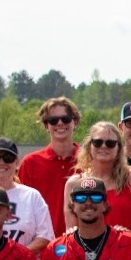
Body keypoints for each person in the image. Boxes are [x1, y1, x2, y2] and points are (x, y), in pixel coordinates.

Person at [67, 120, 131, 242]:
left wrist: (117, 244)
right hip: (89, 255)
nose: (103, 146)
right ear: (89, 146)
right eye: (97, 142)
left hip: (127, 252)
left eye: (110, 143)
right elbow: (72, 229)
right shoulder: (74, 184)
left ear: (119, 148)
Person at [19, 97, 84, 236]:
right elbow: (23, 210)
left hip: (83, 245)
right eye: (53, 120)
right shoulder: (31, 163)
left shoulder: (89, 161)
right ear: (46, 125)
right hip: (43, 246)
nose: (60, 123)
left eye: (65, 119)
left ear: (75, 122)